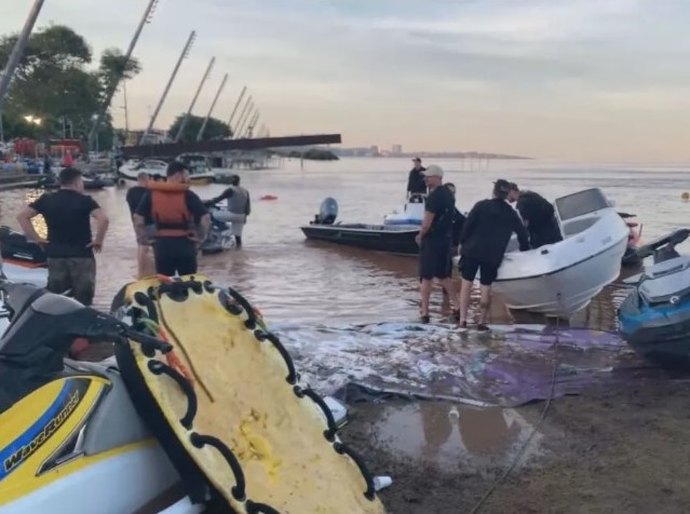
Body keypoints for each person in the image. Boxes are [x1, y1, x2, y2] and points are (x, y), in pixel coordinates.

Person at [16, 167, 109, 306]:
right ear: (77, 182)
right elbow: (103, 219)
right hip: (81, 255)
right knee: (84, 300)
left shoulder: (46, 199)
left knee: (57, 297)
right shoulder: (85, 200)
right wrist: (98, 240)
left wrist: (36, 238)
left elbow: (22, 216)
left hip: (55, 255)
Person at [457, 179, 529, 330]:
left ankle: (463, 320)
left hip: (472, 250)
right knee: (485, 287)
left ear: (494, 191)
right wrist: (525, 250)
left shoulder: (481, 205)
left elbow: (467, 226)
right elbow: (522, 234)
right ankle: (482, 322)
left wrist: (461, 243)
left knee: (467, 284)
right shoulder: (511, 213)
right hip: (493, 255)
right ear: (507, 193)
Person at [133, 161, 210, 276]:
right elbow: (206, 217)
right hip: (185, 244)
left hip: (162, 246)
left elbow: (138, 218)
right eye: (186, 175)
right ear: (178, 174)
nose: (187, 178)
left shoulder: (151, 193)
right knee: (189, 282)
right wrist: (201, 238)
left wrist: (143, 239)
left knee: (165, 283)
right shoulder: (188, 194)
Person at [414, 164, 458, 323]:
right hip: (445, 240)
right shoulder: (448, 194)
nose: (425, 179)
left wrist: (420, 235)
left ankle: (425, 312)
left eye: (428, 176)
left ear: (438, 177)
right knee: (444, 275)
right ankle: (457, 306)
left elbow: (427, 222)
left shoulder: (433, 197)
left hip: (431, 241)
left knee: (426, 277)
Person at [509, 183, 563, 249]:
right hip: (554, 234)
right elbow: (550, 208)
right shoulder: (531, 195)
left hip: (542, 241)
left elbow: (524, 226)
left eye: (506, 194)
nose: (505, 197)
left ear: (511, 191)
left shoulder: (522, 203)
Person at [441, 182, 466, 315]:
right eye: (451, 192)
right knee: (443, 271)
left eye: (454, 192)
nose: (453, 195)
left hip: (451, 243)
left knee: (446, 270)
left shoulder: (452, 208)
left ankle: (447, 302)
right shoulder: (444, 206)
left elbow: (462, 221)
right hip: (445, 243)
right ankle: (448, 303)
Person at [206, 174, 251, 248]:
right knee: (238, 237)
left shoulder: (230, 190)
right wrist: (245, 218)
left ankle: (223, 230)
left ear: (230, 181)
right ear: (239, 181)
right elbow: (248, 207)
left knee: (211, 214)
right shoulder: (245, 191)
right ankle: (238, 253)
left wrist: (207, 203)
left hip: (232, 214)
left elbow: (218, 199)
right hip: (242, 216)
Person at [126, 171, 155, 278]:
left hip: (136, 223)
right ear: (146, 179)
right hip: (150, 222)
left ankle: (141, 271)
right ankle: (150, 272)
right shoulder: (149, 192)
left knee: (141, 246)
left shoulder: (130, 192)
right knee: (150, 249)